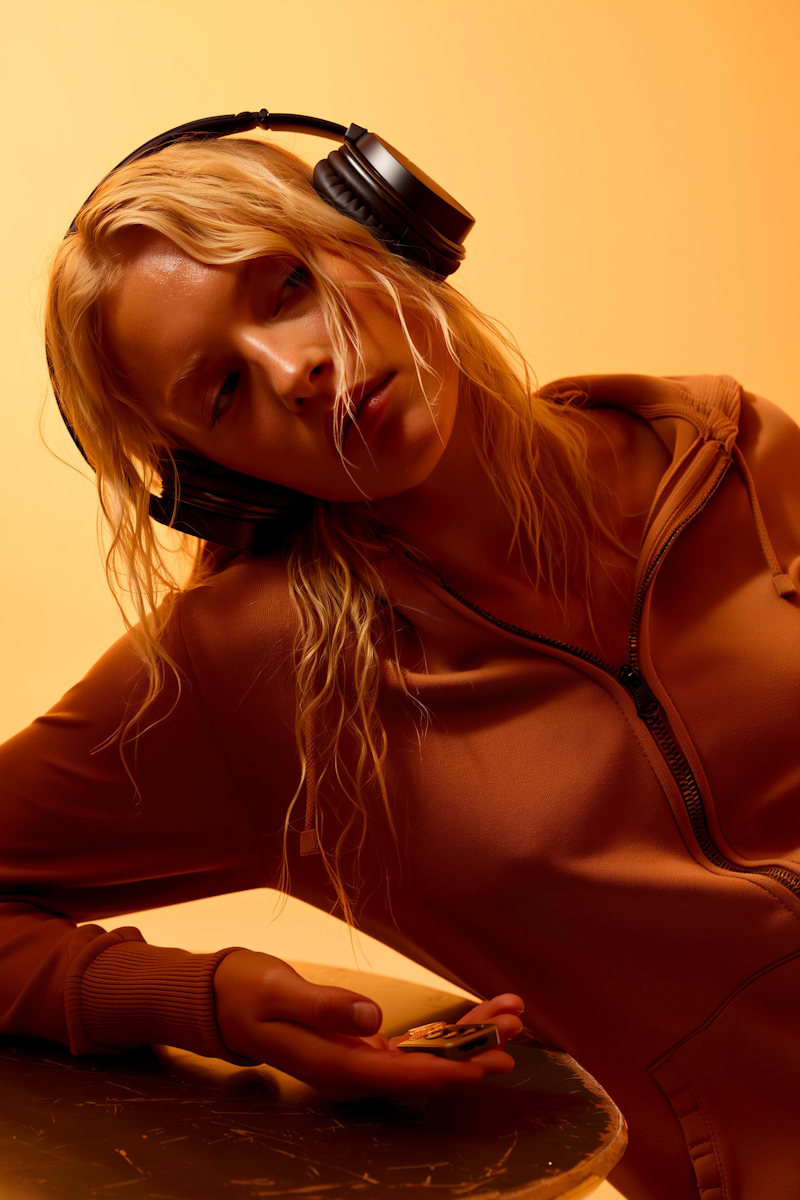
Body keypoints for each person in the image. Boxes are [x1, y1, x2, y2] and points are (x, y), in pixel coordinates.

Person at [1, 130, 798, 1200]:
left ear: (384, 233)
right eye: (223, 391)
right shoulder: (245, 672)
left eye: (289, 285)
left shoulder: (721, 448)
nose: (294, 370)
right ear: (212, 480)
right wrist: (211, 1002)